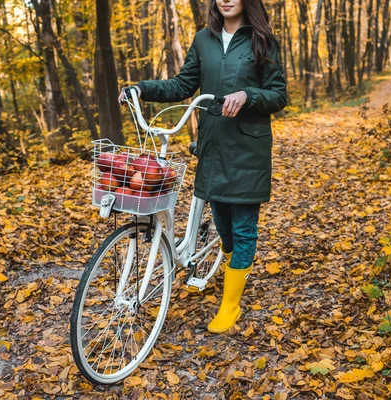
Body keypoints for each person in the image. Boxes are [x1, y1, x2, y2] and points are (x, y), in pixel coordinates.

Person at [118, 0, 287, 334]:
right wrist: (141, 89)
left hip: (247, 148)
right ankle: (231, 259)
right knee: (224, 226)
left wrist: (248, 95)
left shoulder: (263, 41)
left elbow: (278, 95)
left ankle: (230, 306)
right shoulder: (203, 40)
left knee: (242, 227)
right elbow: (182, 85)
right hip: (213, 144)